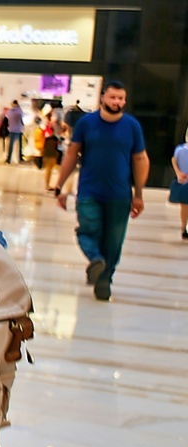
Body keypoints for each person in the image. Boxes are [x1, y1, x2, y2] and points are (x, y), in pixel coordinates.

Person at [52, 81, 149, 301]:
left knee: (113, 242)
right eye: (113, 97)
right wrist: (59, 186)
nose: (117, 102)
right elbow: (71, 154)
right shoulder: (87, 123)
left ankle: (104, 278)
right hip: (89, 192)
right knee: (88, 229)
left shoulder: (132, 126)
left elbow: (140, 159)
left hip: (120, 194)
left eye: (121, 98)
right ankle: (96, 260)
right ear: (103, 97)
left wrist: (139, 194)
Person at [171, 128, 188, 240]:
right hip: (184, 181)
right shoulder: (181, 149)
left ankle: (184, 227)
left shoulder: (180, 149)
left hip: (183, 181)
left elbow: (174, 160)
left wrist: (178, 173)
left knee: (185, 206)